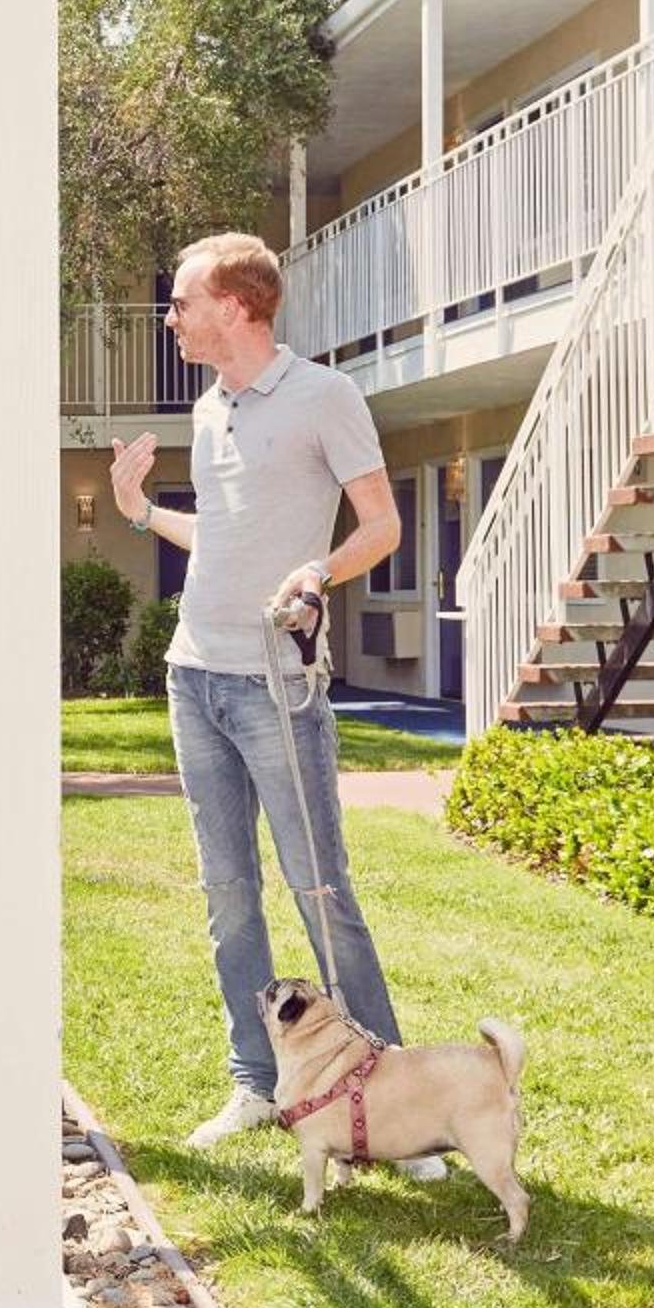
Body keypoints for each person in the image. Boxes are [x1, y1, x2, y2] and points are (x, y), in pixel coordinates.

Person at [109, 234, 443, 1179]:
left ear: (234, 306)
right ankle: (258, 1082)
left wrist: (317, 572)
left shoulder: (324, 397)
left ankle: (389, 1105)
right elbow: (220, 536)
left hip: (275, 685)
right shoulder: (209, 408)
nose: (170, 317)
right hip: (194, 677)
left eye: (181, 301)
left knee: (321, 893)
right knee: (228, 898)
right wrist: (140, 512)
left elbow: (382, 525)